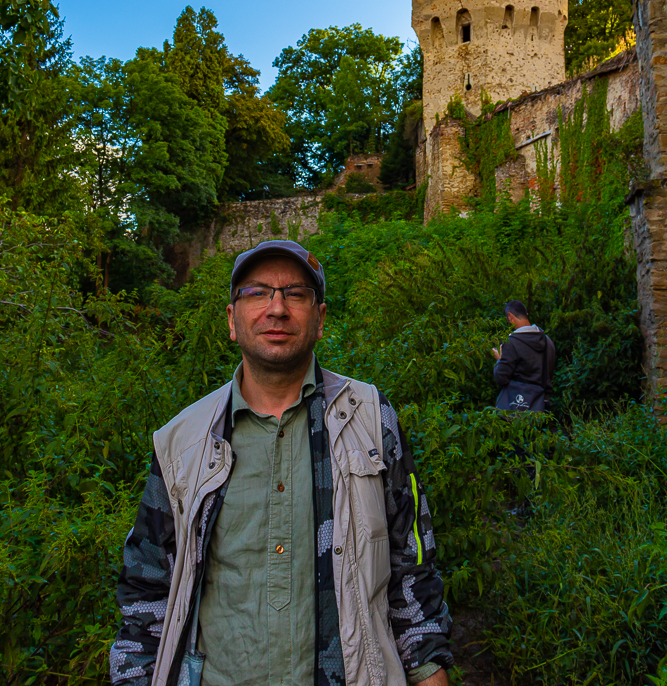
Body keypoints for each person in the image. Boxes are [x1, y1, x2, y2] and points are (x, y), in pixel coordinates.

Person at [110, 239, 453, 686]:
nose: (277, 309)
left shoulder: (369, 419)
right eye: (257, 292)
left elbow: (413, 565)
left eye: (295, 293)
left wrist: (429, 670)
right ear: (232, 320)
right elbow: (146, 588)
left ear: (321, 319)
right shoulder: (183, 442)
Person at [492, 300, 556, 412]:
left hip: (518, 407)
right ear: (527, 315)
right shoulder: (547, 341)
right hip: (542, 405)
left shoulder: (511, 343)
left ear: (510, 317)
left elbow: (501, 378)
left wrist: (499, 360)